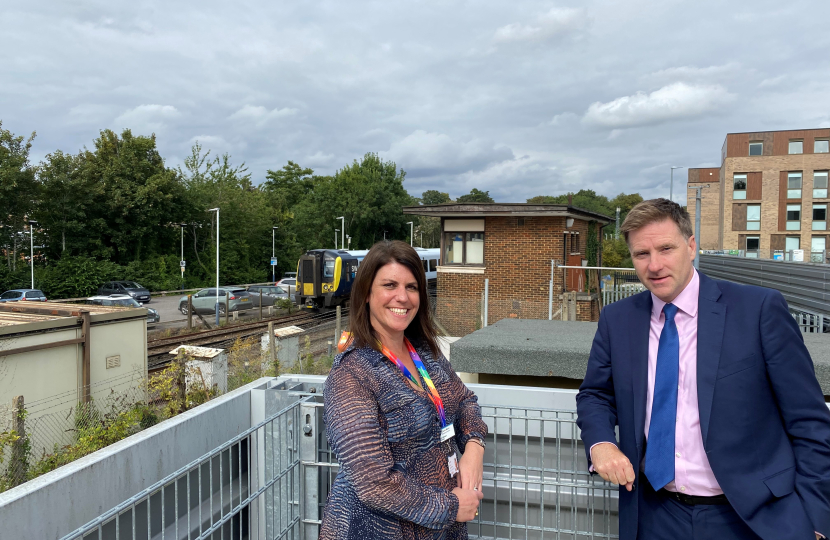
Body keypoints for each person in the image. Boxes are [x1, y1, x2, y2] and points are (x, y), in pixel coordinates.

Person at [576, 198, 830, 540]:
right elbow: (595, 394)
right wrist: (601, 443)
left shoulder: (757, 310)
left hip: (751, 516)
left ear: (691, 246)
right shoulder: (618, 319)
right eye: (641, 254)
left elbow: (809, 421)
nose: (654, 265)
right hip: (654, 515)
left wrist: (815, 520)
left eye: (666, 248)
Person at [320, 240, 487, 539]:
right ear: (367, 294)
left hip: (439, 527)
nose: (403, 297)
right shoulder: (351, 374)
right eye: (389, 285)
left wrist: (473, 448)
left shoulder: (425, 352)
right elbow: (375, 484)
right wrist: (451, 507)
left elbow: (465, 401)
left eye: (412, 287)